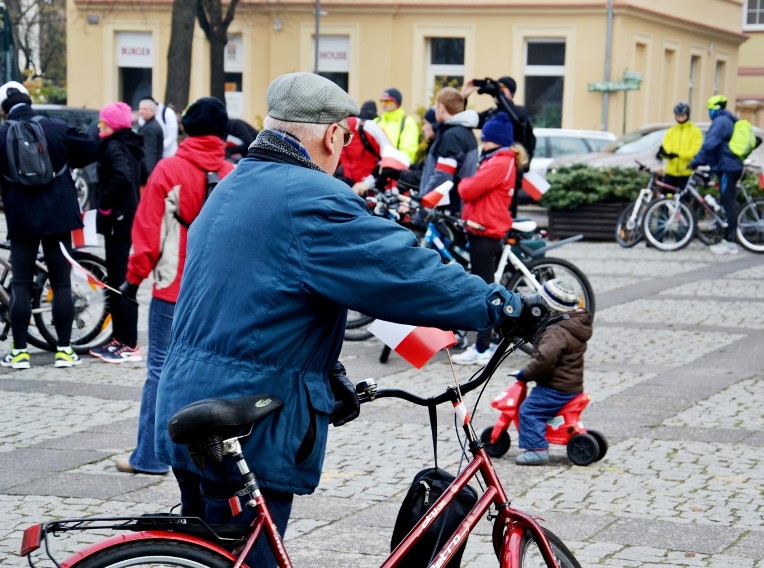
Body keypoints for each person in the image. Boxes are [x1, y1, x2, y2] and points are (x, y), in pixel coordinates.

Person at [152, 72, 549, 567]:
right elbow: (401, 270)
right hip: (249, 415)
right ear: (332, 133)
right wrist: (500, 305)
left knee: (214, 552)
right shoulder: (310, 198)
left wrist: (326, 373)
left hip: (189, 401)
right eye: (346, 138)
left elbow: (256, 299)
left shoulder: (236, 185)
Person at [114, 97, 234, 475]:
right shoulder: (234, 173)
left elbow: (148, 235)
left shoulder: (169, 170)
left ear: (185, 129)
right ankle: (210, 460)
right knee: (214, 372)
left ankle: (148, 457)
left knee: (161, 372)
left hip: (172, 288)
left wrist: (132, 281)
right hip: (218, 292)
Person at [0, 82, 98, 369]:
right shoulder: (55, 127)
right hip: (58, 217)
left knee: (19, 284)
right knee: (61, 283)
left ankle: (19, 353)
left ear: (5, 108)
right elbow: (90, 149)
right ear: (29, 101)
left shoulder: (2, 133)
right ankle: (64, 351)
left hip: (22, 219)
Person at [452, 112, 529, 366]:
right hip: (482, 227)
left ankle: (482, 347)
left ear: (496, 140)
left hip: (486, 230)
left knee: (484, 290)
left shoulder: (498, 162)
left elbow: (468, 189)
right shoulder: (498, 159)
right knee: (489, 285)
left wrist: (464, 182)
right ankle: (491, 338)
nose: (482, 144)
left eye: (485, 140)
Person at [88, 102, 145, 363]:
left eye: (103, 122)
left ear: (111, 124)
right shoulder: (129, 143)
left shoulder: (113, 146)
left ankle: (128, 343)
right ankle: (119, 337)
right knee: (117, 278)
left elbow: (122, 176)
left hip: (119, 221)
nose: (100, 126)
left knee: (119, 280)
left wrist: (106, 203)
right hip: (127, 217)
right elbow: (141, 175)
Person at [514, 279, 593, 465]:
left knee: (528, 410)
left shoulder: (555, 331)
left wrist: (526, 373)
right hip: (571, 385)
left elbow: (544, 359)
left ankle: (537, 449)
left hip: (555, 388)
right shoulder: (574, 325)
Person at [462, 76, 536, 217]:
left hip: (509, 176)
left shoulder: (519, 112)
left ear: (512, 93)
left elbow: (517, 118)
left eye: (503, 89)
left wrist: (498, 92)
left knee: (505, 218)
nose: (498, 92)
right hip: (488, 170)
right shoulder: (492, 114)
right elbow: (464, 120)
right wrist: (464, 98)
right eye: (498, 88)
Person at [688, 95, 743, 256]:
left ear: (715, 109)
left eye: (710, 110)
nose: (709, 113)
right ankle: (728, 239)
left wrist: (695, 162)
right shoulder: (727, 120)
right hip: (728, 165)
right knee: (727, 201)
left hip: (728, 167)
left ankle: (730, 243)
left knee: (728, 202)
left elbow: (710, 144)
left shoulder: (720, 122)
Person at [418, 87, 479, 215]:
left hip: (446, 210)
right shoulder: (466, 132)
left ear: (441, 108)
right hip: (458, 207)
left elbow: (442, 177)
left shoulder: (451, 137)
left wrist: (423, 208)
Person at [338, 114, 392, 194]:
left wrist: (368, 183)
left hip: (374, 190)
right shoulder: (335, 132)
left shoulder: (368, 127)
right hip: (351, 188)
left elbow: (390, 158)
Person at [656, 102, 703, 190]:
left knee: (683, 200)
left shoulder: (695, 131)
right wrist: (666, 154)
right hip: (671, 172)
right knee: (666, 198)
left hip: (686, 172)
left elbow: (694, 151)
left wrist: (678, 154)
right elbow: (667, 147)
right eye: (678, 116)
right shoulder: (671, 131)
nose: (680, 118)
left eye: (683, 115)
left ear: (687, 115)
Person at [375, 87, 420, 164]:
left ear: (397, 103)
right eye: (381, 101)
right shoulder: (376, 121)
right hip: (374, 168)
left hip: (395, 169)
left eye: (387, 101)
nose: (383, 104)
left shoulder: (408, 123)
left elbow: (408, 152)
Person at [137, 97, 164, 180]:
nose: (141, 111)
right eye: (140, 109)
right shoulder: (149, 125)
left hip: (148, 173)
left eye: (144, 109)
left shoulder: (151, 128)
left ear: (152, 111)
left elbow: (150, 152)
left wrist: (148, 174)